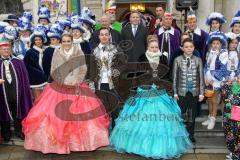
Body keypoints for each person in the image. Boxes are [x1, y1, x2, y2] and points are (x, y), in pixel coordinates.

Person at [22, 33, 110, 154]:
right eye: (64, 41)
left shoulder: (79, 52)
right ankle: (57, 145)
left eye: (68, 41)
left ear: (72, 41)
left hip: (77, 86)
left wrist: (76, 81)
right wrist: (62, 81)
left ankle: (79, 145)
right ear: (61, 42)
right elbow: (53, 69)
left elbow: (83, 68)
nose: (66, 43)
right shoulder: (57, 52)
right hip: (60, 87)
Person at [110, 35, 192, 159]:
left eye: (156, 47)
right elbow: (137, 75)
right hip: (145, 90)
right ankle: (139, 146)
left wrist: (164, 86)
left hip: (160, 91)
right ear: (148, 47)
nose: (154, 49)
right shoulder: (142, 57)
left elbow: (167, 75)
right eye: (152, 47)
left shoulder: (163, 58)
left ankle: (159, 149)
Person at [87, 27, 127, 129]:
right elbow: (91, 68)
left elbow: (123, 64)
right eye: (102, 34)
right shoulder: (94, 51)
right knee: (102, 108)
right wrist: (92, 83)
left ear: (109, 36)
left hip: (113, 82)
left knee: (114, 107)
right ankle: (103, 130)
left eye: (106, 34)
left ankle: (114, 129)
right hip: (99, 83)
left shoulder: (116, 49)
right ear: (99, 36)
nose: (104, 36)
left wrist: (116, 71)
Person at [173, 38, 205, 143]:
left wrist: (201, 92)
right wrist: (175, 92)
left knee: (192, 115)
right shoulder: (177, 60)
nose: (189, 48)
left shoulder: (198, 60)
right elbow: (175, 77)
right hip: (181, 92)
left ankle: (190, 135)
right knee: (181, 114)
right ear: (182, 48)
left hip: (194, 93)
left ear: (194, 48)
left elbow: (201, 77)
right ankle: (180, 134)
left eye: (191, 46)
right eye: (186, 47)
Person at [0, 40, 32, 142]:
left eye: (8, 49)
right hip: (2, 93)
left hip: (17, 92)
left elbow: (25, 78)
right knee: (4, 111)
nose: (6, 51)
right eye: (3, 49)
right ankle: (6, 133)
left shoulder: (18, 62)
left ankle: (19, 131)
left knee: (18, 111)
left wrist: (24, 92)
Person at [202, 31, 229, 130]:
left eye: (217, 43)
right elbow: (206, 65)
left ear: (221, 44)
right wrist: (205, 77)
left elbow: (223, 68)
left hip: (216, 80)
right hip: (208, 80)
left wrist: (214, 79)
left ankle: (213, 119)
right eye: (213, 43)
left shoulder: (223, 53)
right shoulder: (209, 52)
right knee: (209, 99)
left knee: (214, 100)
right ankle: (209, 117)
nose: (215, 45)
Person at [24, 25, 48, 99]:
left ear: (42, 40)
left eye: (40, 39)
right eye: (36, 40)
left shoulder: (45, 51)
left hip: (45, 80)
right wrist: (42, 76)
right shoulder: (30, 52)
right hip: (35, 81)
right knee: (38, 100)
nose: (38, 41)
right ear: (33, 41)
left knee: (45, 100)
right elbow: (29, 68)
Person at [154, 12, 181, 78]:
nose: (168, 20)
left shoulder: (177, 32)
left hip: (172, 61)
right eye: (166, 19)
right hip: (159, 61)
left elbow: (179, 47)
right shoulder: (157, 32)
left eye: (170, 19)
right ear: (162, 20)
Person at [221, 78, 240, 160]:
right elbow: (224, 98)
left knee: (238, 136)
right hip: (228, 116)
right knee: (229, 135)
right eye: (239, 78)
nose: (239, 80)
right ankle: (232, 152)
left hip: (238, 118)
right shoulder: (230, 87)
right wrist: (226, 84)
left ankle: (236, 155)